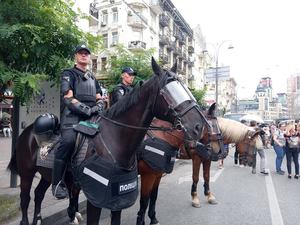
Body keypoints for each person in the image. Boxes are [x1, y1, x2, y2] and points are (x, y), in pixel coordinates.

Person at [52, 44, 104, 199]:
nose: (84, 55)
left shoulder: (93, 77)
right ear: (76, 56)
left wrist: (98, 106)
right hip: (72, 117)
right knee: (68, 142)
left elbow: (99, 97)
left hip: (91, 117)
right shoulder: (68, 73)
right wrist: (86, 110)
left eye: (86, 53)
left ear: (89, 57)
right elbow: (68, 97)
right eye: (81, 53)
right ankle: (56, 184)